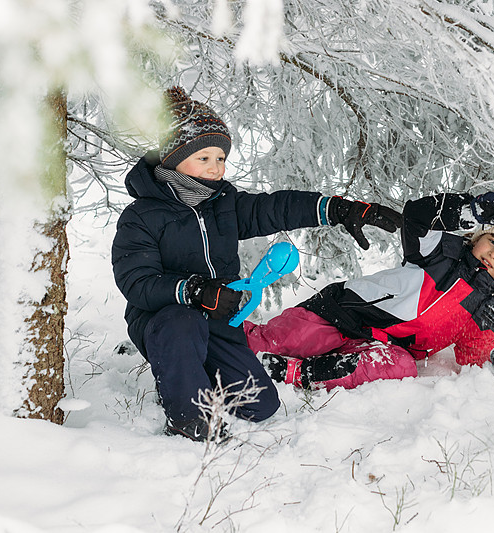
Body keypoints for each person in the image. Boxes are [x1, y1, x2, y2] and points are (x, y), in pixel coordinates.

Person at [111, 87, 401, 441]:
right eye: (204, 158)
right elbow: (136, 281)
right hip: (164, 320)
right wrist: (194, 290)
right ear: (171, 158)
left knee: (259, 405)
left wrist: (340, 209)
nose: (216, 168)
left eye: (221, 158)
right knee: (183, 324)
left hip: (219, 320)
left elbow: (275, 207)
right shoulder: (141, 215)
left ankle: (189, 371)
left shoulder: (224, 204)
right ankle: (187, 418)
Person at [244, 192, 494, 391]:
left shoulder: (488, 305)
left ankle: (300, 373)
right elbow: (417, 217)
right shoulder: (440, 252)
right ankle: (223, 337)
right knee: (292, 339)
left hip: (390, 347)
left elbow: (473, 347)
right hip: (342, 313)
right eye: (493, 241)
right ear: (479, 236)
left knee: (400, 367)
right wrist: (469, 209)